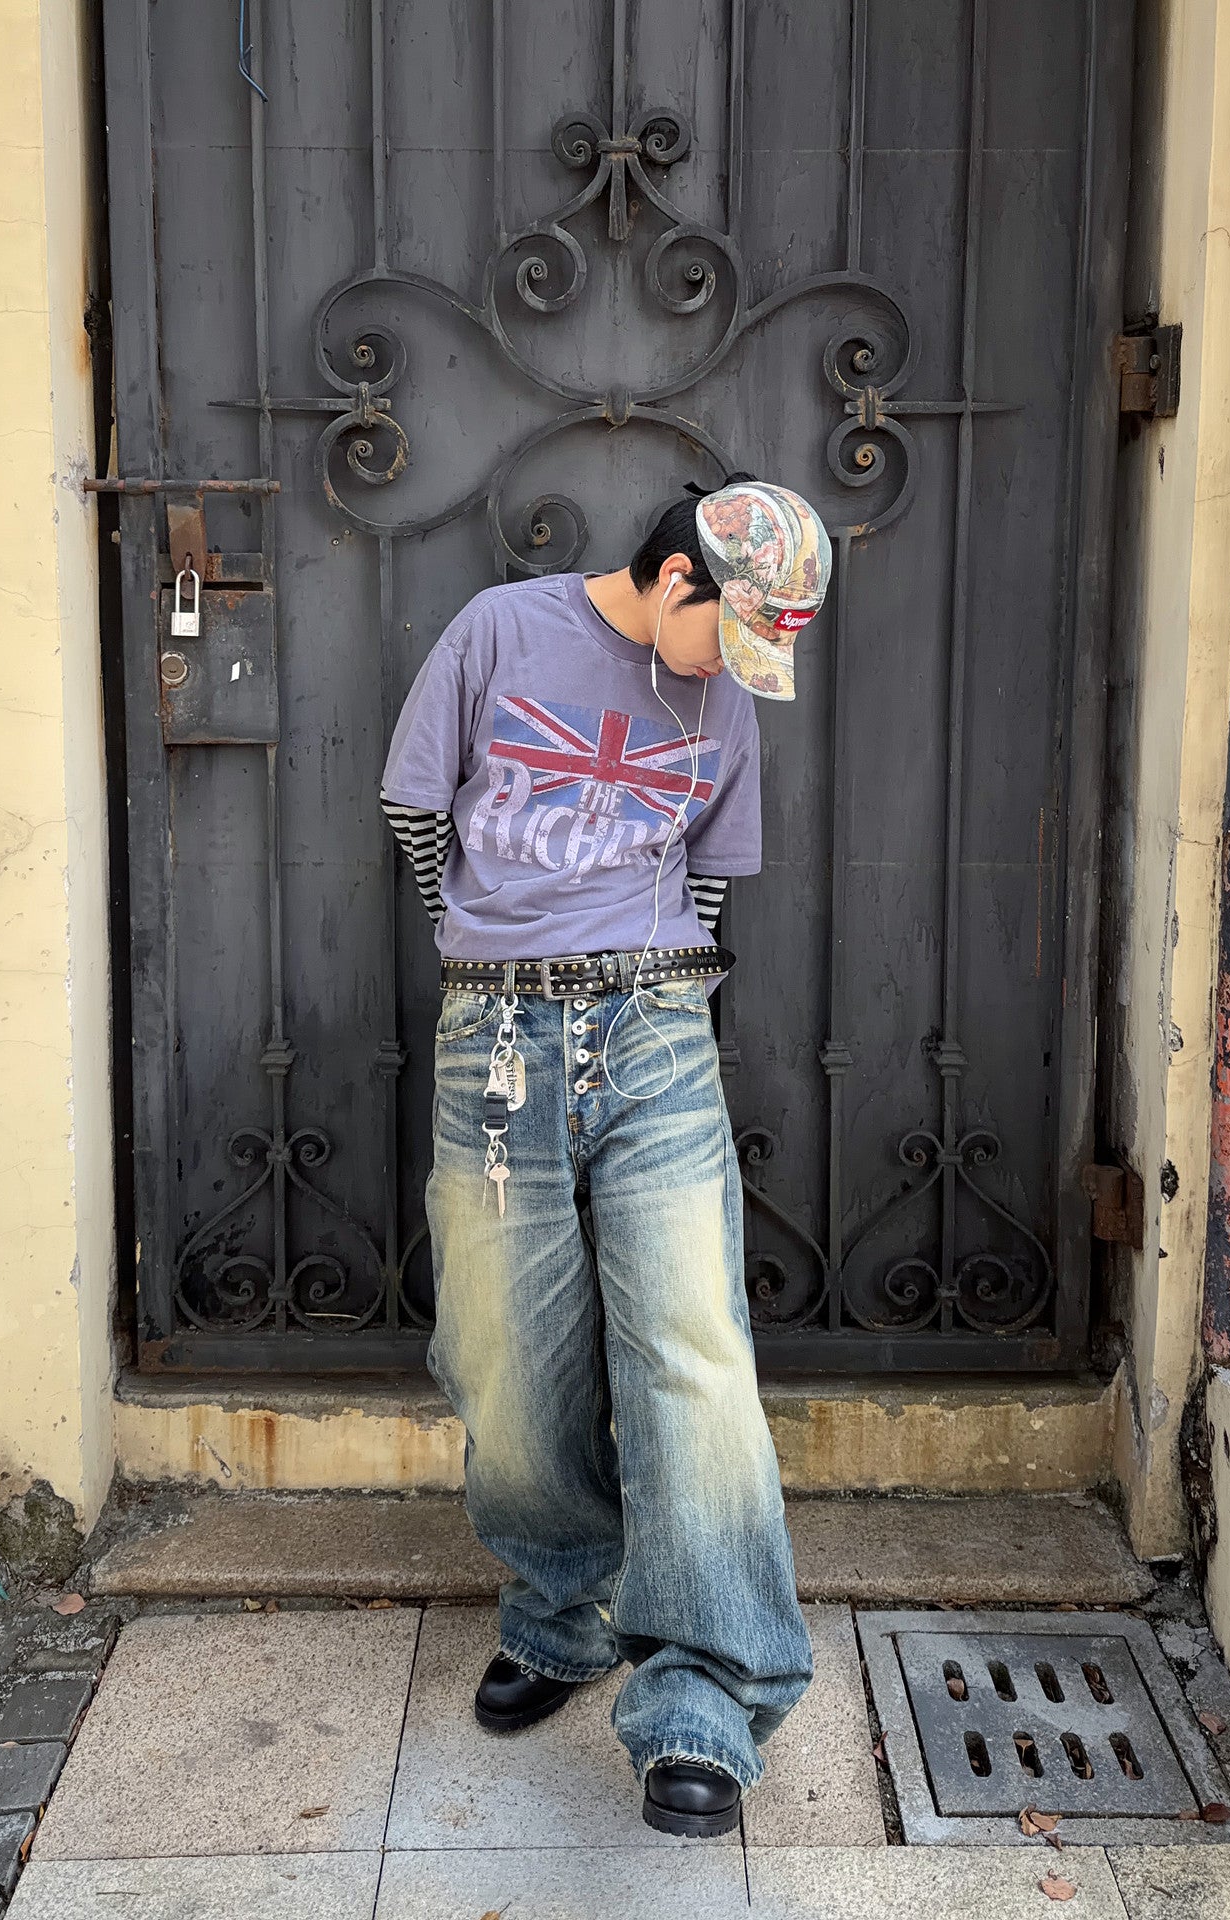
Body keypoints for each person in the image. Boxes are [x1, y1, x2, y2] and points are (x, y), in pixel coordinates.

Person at [379, 475, 830, 1837]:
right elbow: (417, 814)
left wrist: (660, 980)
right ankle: (559, 1611)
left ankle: (704, 1698)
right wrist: (486, 948)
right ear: (678, 579)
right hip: (496, 1035)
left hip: (655, 1027)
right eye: (726, 638)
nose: (730, 674)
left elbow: (710, 872)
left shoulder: (723, 696)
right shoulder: (498, 632)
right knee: (506, 1354)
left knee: (691, 1351)